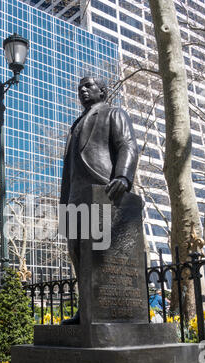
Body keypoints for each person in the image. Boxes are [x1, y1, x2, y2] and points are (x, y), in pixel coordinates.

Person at [60, 76, 139, 325]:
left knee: (102, 252)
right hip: (75, 196)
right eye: (79, 87)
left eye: (88, 86)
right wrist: (63, 204)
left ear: (102, 91)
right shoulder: (75, 126)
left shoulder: (113, 113)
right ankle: (87, 310)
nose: (82, 90)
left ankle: (112, 311)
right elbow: (68, 170)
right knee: (77, 253)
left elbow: (127, 144)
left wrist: (123, 177)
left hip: (102, 189)